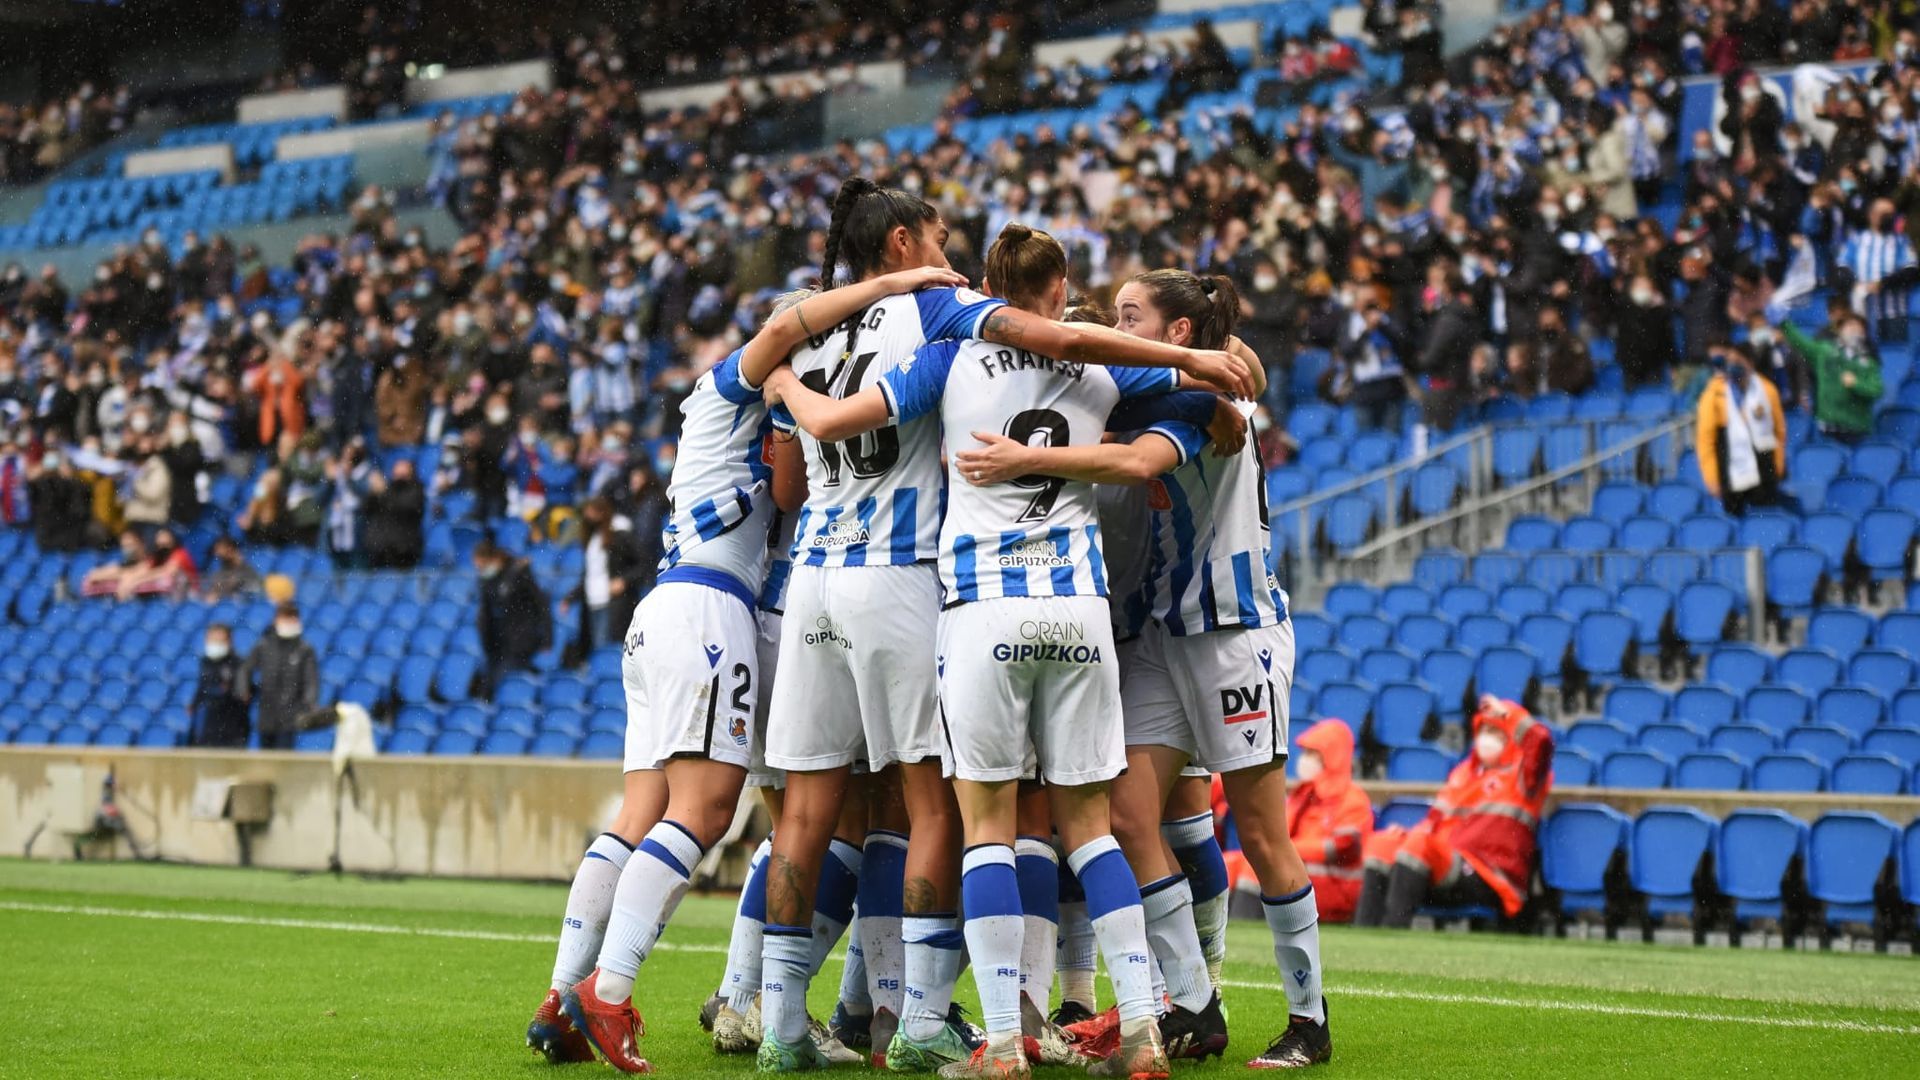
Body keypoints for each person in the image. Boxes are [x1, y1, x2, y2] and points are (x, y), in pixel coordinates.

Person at [752, 179, 1247, 1074]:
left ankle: (995, 1042)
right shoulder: (1107, 366)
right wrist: (1203, 367)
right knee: (1089, 827)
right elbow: (1139, 386)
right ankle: (1140, 1023)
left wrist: (783, 373)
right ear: (1061, 289)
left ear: (986, 284)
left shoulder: (948, 350)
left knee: (960, 822)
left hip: (958, 608)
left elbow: (832, 421)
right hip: (1077, 610)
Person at [540, 262, 974, 1075]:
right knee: (767, 815)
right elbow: (790, 481)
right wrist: (888, 295)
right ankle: (679, 993)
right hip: (733, 612)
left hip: (677, 613)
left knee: (651, 816)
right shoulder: (749, 387)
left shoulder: (722, 408)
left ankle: (567, 991)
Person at [952, 269, 1330, 1069]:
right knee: (1126, 818)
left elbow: (1140, 464)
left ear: (1181, 334)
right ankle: (1192, 1004)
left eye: (1131, 315)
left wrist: (1028, 456)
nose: (1114, 327)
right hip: (1161, 635)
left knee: (1260, 830)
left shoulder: (1200, 402)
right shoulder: (1166, 390)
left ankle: (1309, 1020)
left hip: (1233, 629)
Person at [1353, 696, 1553, 929]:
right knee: (1383, 843)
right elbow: (1433, 825)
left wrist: (1510, 715)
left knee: (1419, 844)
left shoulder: (1524, 777)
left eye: (1497, 732)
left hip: (1489, 877)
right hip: (1447, 867)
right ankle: (1364, 933)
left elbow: (1541, 742)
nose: (1487, 739)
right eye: (1484, 730)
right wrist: (1406, 836)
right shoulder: (1463, 774)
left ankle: (1392, 933)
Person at [1281, 720, 1373, 924]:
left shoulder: (1353, 799)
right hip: (1303, 883)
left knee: (1254, 871)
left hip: (1336, 889)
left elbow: (1343, 848)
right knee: (1238, 865)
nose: (1304, 760)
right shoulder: (1302, 795)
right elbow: (1278, 839)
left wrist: (1288, 850)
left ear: (1331, 757)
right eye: (1305, 752)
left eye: (1312, 754)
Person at [1695, 346, 1787, 516]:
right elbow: (1705, 439)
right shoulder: (1714, 394)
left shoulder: (1766, 390)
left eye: (1738, 362)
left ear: (1750, 363)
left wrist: (1778, 465)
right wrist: (1712, 479)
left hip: (1764, 469)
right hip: (1730, 469)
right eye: (1729, 362)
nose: (1732, 366)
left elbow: (1779, 432)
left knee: (1764, 519)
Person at [564, 496, 648, 663]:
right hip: (593, 601)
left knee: (609, 652)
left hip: (613, 603)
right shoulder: (592, 539)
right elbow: (590, 574)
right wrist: (570, 598)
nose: (587, 516)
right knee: (598, 651)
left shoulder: (619, 535)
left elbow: (643, 564)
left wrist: (623, 581)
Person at [1783, 313, 1884, 443]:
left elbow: (1877, 390)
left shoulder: (1868, 363)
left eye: (1857, 327)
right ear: (1840, 331)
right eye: (1848, 325)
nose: (1852, 329)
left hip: (1856, 431)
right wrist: (1783, 323)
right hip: (1827, 429)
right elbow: (1801, 343)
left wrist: (1856, 383)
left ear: (1864, 333)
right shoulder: (1825, 351)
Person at [239, 603, 319, 751]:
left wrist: (310, 702)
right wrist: (244, 690)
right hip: (267, 713)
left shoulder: (304, 649)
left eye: (292, 618)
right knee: (266, 758)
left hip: (290, 715)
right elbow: (245, 669)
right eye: (285, 618)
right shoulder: (264, 645)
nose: (288, 623)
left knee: (283, 756)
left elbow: (311, 679)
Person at [474, 538, 551, 688]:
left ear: (493, 559)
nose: (480, 571)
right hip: (499, 644)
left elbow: (541, 604)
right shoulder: (487, 582)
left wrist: (548, 638)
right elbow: (486, 614)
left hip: (521, 639)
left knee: (506, 682)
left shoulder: (518, 572)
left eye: (482, 566)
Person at [190, 623, 250, 748]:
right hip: (209, 726)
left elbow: (242, 695)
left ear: (229, 641)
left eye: (219, 640)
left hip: (233, 727)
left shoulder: (238, 664)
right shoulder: (206, 662)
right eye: (212, 640)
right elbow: (202, 687)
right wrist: (194, 703)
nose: (215, 644)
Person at [362, 459, 426, 569]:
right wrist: (373, 493)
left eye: (403, 474)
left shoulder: (416, 490)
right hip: (379, 550)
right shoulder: (388, 489)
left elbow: (405, 507)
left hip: (403, 551)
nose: (399, 477)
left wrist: (383, 492)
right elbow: (367, 510)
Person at [26, 449, 94, 552]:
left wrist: (70, 479)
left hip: (70, 531)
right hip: (50, 532)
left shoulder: (75, 484)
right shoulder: (44, 484)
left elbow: (79, 508)